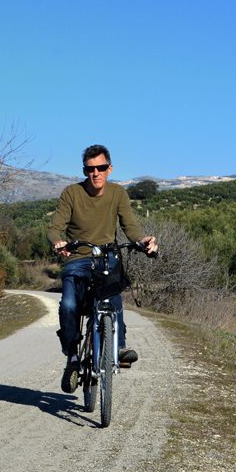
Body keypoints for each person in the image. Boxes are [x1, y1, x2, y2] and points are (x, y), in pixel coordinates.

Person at [48, 144, 158, 393]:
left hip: (106, 257)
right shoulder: (71, 193)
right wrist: (58, 242)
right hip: (77, 258)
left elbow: (130, 227)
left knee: (113, 293)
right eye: (90, 169)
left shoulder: (118, 193)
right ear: (84, 170)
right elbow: (55, 228)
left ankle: (118, 347)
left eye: (100, 168)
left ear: (110, 168)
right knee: (68, 305)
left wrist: (143, 242)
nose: (95, 173)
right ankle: (73, 356)